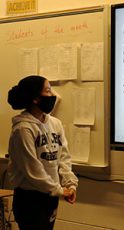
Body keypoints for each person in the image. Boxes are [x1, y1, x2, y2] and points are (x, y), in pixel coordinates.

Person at [7, 75, 78, 230]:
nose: (52, 95)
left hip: (50, 195)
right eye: (47, 91)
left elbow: (64, 156)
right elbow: (32, 170)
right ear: (35, 99)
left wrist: (70, 183)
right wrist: (59, 190)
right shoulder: (23, 129)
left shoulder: (55, 123)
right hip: (29, 198)